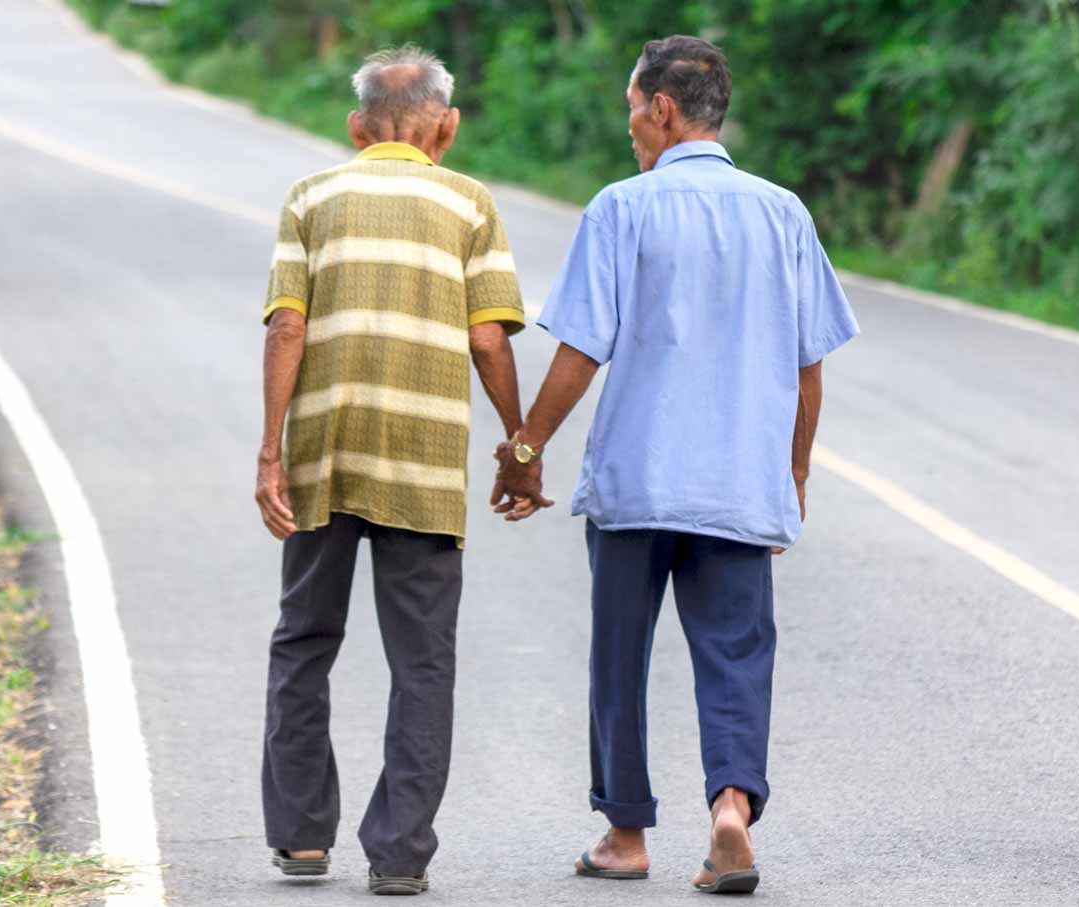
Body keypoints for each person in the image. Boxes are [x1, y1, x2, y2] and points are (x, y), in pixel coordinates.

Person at [492, 35, 859, 895]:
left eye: (632, 114)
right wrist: (793, 473)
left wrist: (525, 448)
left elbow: (582, 349)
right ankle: (731, 806)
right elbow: (810, 368)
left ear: (661, 109)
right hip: (737, 481)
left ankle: (625, 833)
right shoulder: (784, 214)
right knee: (736, 651)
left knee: (619, 654)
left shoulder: (624, 209)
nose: (629, 132)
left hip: (639, 480)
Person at [254, 45, 528, 896]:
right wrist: (520, 444)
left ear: (356, 126)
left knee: (305, 638)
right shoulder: (470, 203)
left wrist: (272, 450)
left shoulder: (311, 196)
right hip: (422, 460)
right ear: (446, 125)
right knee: (423, 660)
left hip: (324, 458)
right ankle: (400, 852)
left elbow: (286, 328)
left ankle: (302, 838)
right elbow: (488, 337)